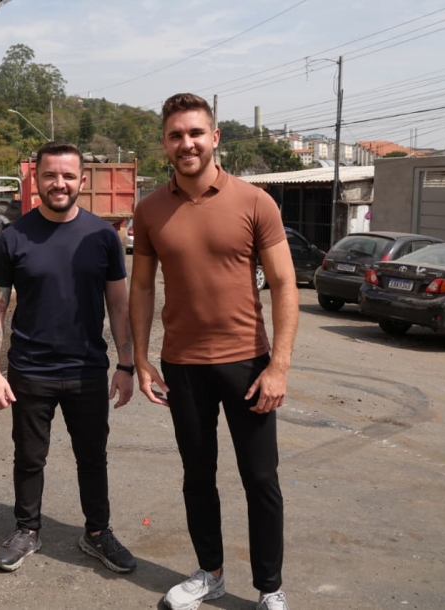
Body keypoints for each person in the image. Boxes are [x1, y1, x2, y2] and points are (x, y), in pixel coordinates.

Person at [129, 94, 298, 610]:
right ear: (164, 143)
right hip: (183, 366)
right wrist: (140, 357)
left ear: (215, 137)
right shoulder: (151, 209)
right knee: (197, 477)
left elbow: (286, 283)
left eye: (196, 133)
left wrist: (279, 364)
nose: (187, 143)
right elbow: (140, 289)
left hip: (248, 363)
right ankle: (211, 574)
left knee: (260, 480)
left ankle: (270, 589)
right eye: (176, 135)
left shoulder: (254, 202)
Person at [0, 141, 138, 575]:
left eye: (68, 176)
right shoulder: (13, 237)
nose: (60, 183)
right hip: (30, 370)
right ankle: (27, 529)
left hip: (88, 370)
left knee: (93, 456)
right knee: (29, 456)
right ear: (36, 179)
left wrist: (126, 365)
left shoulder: (104, 237)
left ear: (82, 181)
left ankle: (97, 533)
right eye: (50, 175)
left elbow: (119, 307)